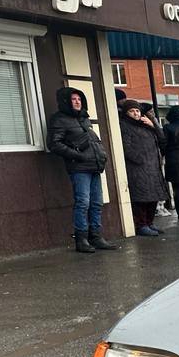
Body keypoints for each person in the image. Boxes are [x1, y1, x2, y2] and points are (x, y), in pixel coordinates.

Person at [47, 87, 117, 254]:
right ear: (66, 102)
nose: (77, 101)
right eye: (73, 99)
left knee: (96, 203)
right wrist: (78, 156)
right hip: (79, 168)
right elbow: (54, 144)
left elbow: (92, 142)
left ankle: (96, 237)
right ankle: (81, 239)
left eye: (79, 99)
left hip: (95, 166)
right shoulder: (59, 119)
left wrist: (102, 155)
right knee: (83, 203)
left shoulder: (84, 118)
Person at [118, 98, 168, 236]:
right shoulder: (125, 125)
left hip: (153, 167)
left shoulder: (146, 126)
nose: (135, 113)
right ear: (126, 113)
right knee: (141, 198)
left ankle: (150, 222)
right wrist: (139, 159)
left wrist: (154, 125)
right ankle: (141, 225)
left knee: (153, 197)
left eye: (137, 111)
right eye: (132, 111)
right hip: (138, 168)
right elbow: (126, 147)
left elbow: (162, 140)